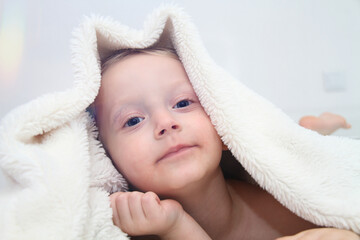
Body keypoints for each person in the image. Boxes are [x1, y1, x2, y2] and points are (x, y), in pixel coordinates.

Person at [92, 48, 358, 240]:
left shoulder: (280, 206)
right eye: (133, 120)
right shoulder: (126, 226)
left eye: (183, 103)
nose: (165, 123)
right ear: (106, 156)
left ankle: (309, 134)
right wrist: (174, 226)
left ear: (225, 127)